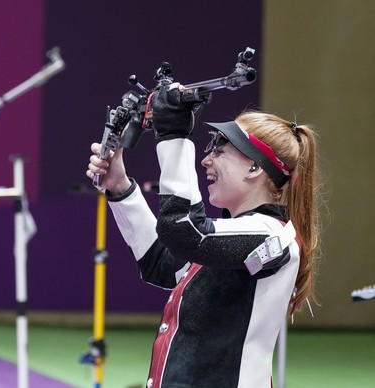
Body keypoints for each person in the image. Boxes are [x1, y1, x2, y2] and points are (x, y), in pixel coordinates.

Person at [86, 83, 320, 388]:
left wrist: (174, 137)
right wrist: (119, 187)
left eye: (219, 151)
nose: (206, 160)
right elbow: (159, 261)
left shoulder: (269, 235)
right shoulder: (234, 237)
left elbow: (185, 231)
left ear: (254, 168)